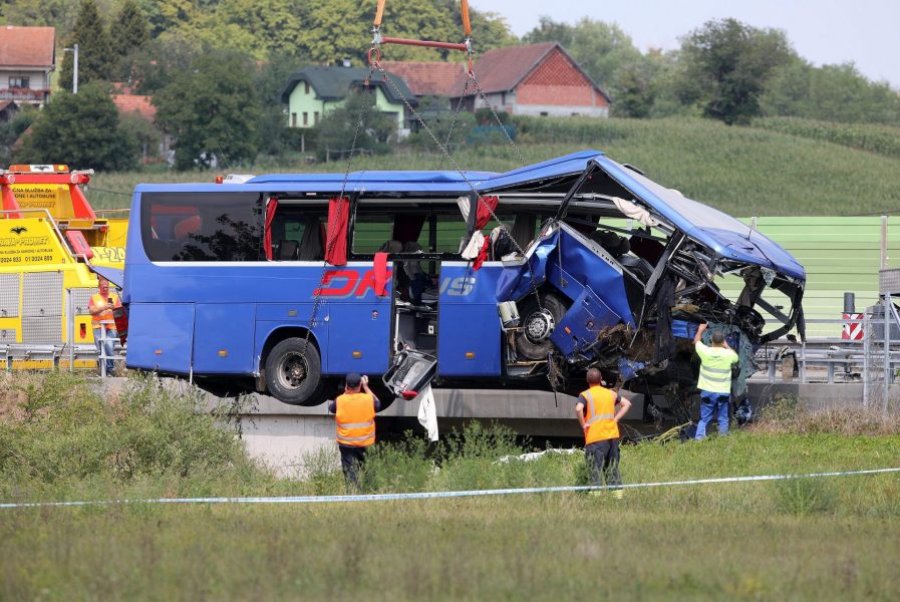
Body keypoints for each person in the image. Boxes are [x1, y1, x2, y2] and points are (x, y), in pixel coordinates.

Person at [576, 368, 632, 497]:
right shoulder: (611, 393)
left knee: (594, 470)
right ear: (601, 380)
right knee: (612, 469)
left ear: (587, 381)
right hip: (612, 436)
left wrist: (583, 424)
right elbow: (627, 404)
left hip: (595, 438)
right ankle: (618, 498)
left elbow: (579, 409)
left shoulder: (585, 395)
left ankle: (595, 500)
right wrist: (615, 419)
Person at [328, 373, 382, 490]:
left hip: (346, 444)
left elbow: (331, 408)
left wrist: (345, 392)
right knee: (368, 469)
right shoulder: (368, 399)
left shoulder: (340, 400)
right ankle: (370, 493)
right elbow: (378, 404)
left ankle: (353, 493)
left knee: (350, 472)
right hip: (366, 443)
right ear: (360, 385)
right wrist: (366, 387)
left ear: (346, 385)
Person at [693, 322, 740, 440]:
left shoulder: (705, 352)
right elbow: (736, 357)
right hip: (722, 392)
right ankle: (722, 439)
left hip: (708, 392)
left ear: (711, 341)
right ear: (723, 341)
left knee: (704, 419)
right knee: (723, 418)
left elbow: (696, 342)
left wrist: (700, 330)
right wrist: (727, 346)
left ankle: (699, 440)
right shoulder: (728, 354)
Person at [88, 277, 121, 376]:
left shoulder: (114, 297)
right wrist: (104, 307)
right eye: (103, 287)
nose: (105, 289)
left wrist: (114, 308)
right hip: (98, 327)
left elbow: (120, 312)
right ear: (99, 287)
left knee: (109, 347)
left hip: (111, 327)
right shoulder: (94, 297)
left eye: (107, 287)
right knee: (100, 349)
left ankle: (110, 369)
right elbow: (91, 311)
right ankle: (103, 370)